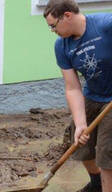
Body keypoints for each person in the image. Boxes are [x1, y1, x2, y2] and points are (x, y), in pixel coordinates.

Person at [44, 0, 112, 191]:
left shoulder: (105, 25)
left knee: (107, 154)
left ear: (67, 16)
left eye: (53, 26)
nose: (53, 31)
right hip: (93, 95)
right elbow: (72, 87)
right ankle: (97, 184)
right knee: (81, 142)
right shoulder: (62, 46)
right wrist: (81, 122)